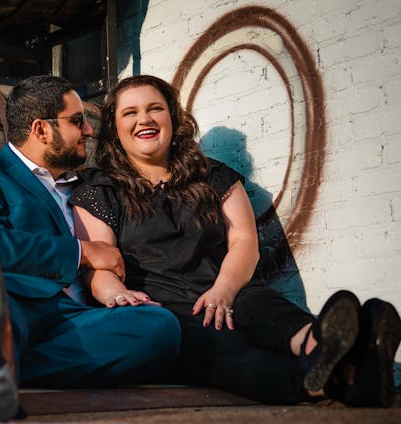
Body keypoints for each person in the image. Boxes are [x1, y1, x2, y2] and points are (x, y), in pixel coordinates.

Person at [70, 74, 401, 406]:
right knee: (231, 356)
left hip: (229, 289)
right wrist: (118, 295)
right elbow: (98, 265)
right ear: (114, 127)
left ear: (171, 117)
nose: (144, 118)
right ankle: (351, 368)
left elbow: (244, 241)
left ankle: (319, 345)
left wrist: (224, 291)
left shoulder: (214, 175)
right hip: (166, 311)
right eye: (130, 112)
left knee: (270, 312)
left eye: (155, 108)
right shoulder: (99, 190)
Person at [0, 75, 182, 421]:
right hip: (7, 299)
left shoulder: (90, 185)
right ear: (41, 130)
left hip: (72, 318)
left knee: (159, 328)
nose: (88, 132)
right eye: (77, 121)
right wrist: (83, 252)